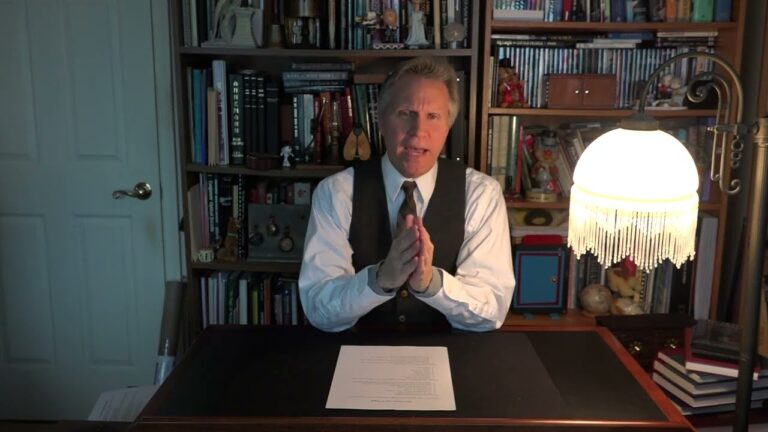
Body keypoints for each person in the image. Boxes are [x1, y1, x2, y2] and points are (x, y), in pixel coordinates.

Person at [298, 57, 515, 332]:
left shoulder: (481, 195)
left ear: (448, 126)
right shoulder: (336, 193)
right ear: (381, 120)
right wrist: (379, 281)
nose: (418, 132)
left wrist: (432, 284)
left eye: (433, 117)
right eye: (405, 113)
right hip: (359, 357)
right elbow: (319, 310)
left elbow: (490, 312)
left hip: (451, 357)